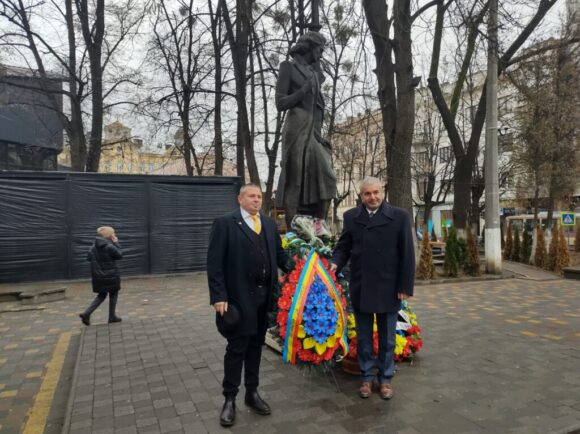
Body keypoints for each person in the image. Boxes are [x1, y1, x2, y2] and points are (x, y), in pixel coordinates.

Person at [207, 184, 289, 427]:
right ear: (239, 199)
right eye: (251, 196)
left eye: (259, 196)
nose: (256, 200)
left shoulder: (269, 224)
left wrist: (303, 267)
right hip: (238, 299)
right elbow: (214, 262)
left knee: (256, 346)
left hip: (265, 299)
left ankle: (252, 393)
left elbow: (280, 255)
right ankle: (229, 398)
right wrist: (218, 296)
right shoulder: (225, 223)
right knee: (237, 348)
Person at [331, 177, 415, 400]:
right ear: (361, 196)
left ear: (383, 192)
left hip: (389, 286)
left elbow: (407, 254)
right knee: (364, 336)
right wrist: (334, 264)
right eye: (367, 193)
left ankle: (385, 379)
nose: (373, 197)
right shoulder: (351, 217)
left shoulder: (399, 216)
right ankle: (367, 377)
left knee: (388, 339)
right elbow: (344, 247)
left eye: (376, 192)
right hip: (362, 285)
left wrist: (405, 286)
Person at [275, 31, 337, 227]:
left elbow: (317, 109)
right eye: (319, 49)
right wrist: (304, 90)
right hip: (296, 127)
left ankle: (319, 230)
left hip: (312, 131)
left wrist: (319, 136)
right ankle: (295, 232)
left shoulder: (314, 74)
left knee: (328, 177)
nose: (321, 54)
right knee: (295, 181)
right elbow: (280, 103)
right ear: (309, 47)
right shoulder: (288, 67)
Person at [80, 226, 123, 326]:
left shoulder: (93, 247)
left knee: (101, 295)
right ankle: (112, 317)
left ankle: (86, 313)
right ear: (109, 235)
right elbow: (119, 255)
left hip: (98, 276)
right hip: (111, 275)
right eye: (113, 233)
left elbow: (89, 258)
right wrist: (116, 242)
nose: (114, 235)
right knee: (113, 294)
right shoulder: (109, 246)